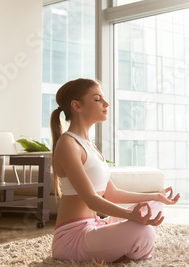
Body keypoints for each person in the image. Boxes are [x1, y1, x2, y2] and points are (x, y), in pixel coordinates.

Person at [50, 78, 180, 263]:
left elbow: (113, 194)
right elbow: (92, 200)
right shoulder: (68, 144)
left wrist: (155, 196)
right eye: (97, 99)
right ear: (77, 106)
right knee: (142, 231)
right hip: (73, 238)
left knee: (152, 207)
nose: (106, 103)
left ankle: (122, 250)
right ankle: (126, 251)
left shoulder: (90, 146)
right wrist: (130, 216)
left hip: (96, 225)